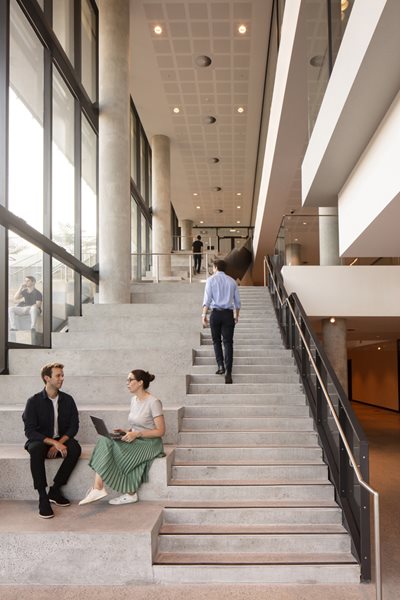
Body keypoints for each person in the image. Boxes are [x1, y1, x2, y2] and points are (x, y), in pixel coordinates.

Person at [79, 369, 165, 506]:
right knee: (105, 439)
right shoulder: (133, 400)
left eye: (130, 380)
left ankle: (100, 488)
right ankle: (98, 487)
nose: (127, 383)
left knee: (110, 446)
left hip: (150, 443)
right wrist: (126, 431)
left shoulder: (154, 402)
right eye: (127, 380)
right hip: (136, 438)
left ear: (140, 382)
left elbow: (160, 431)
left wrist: (137, 434)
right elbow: (138, 424)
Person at [22, 362, 81, 519]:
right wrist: (54, 443)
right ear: (47, 378)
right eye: (58, 375)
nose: (62, 378)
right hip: (41, 440)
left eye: (62, 375)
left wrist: (60, 442)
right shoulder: (33, 402)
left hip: (60, 438)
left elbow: (74, 427)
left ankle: (55, 490)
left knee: (75, 448)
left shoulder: (68, 400)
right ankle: (42, 496)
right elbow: (30, 431)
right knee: (35, 450)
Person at [202, 260, 241, 384]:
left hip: (216, 314)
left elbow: (207, 299)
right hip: (228, 315)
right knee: (228, 343)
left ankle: (220, 366)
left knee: (216, 341)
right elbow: (237, 303)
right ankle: (228, 372)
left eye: (213, 268)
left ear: (215, 267)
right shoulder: (232, 281)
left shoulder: (211, 280)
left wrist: (203, 315)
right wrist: (236, 316)